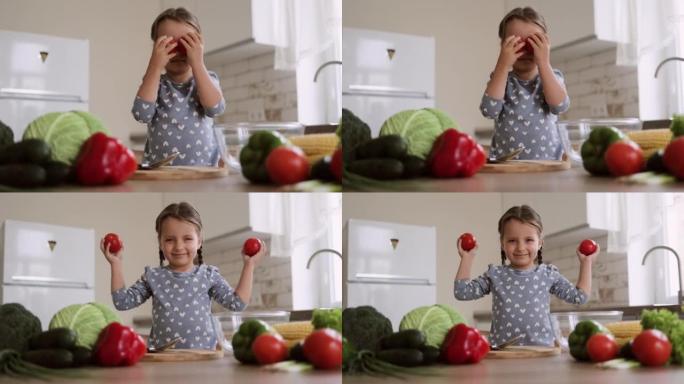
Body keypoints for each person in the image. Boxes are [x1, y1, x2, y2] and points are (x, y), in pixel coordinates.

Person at [102, 202, 264, 350]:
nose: (179, 246)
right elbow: (122, 302)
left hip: (203, 357)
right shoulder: (152, 276)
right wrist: (116, 264)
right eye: (170, 240)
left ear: (199, 241)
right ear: (160, 242)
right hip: (163, 360)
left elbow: (237, 304)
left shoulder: (208, 275)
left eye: (187, 239)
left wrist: (249, 265)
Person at [453, 205, 598, 347]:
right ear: (502, 244)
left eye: (529, 240)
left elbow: (579, 297)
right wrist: (467, 258)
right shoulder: (495, 275)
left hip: (541, 352)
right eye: (512, 241)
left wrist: (586, 263)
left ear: (540, 243)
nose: (520, 247)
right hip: (503, 354)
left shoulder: (548, 274)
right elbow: (462, 292)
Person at [132, 7, 225, 166]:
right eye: (168, 44)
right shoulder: (155, 84)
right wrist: (154, 66)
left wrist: (197, 62)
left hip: (204, 171)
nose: (178, 53)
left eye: (186, 43)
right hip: (162, 174)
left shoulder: (207, 79)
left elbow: (215, 108)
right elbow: (141, 114)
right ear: (155, 48)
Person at [480, 7, 570, 160]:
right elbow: (489, 110)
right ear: (503, 46)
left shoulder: (552, 77)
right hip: (508, 169)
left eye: (533, 43)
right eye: (516, 44)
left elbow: (559, 106)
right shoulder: (501, 80)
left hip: (548, 166)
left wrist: (543, 62)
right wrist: (502, 64)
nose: (525, 51)